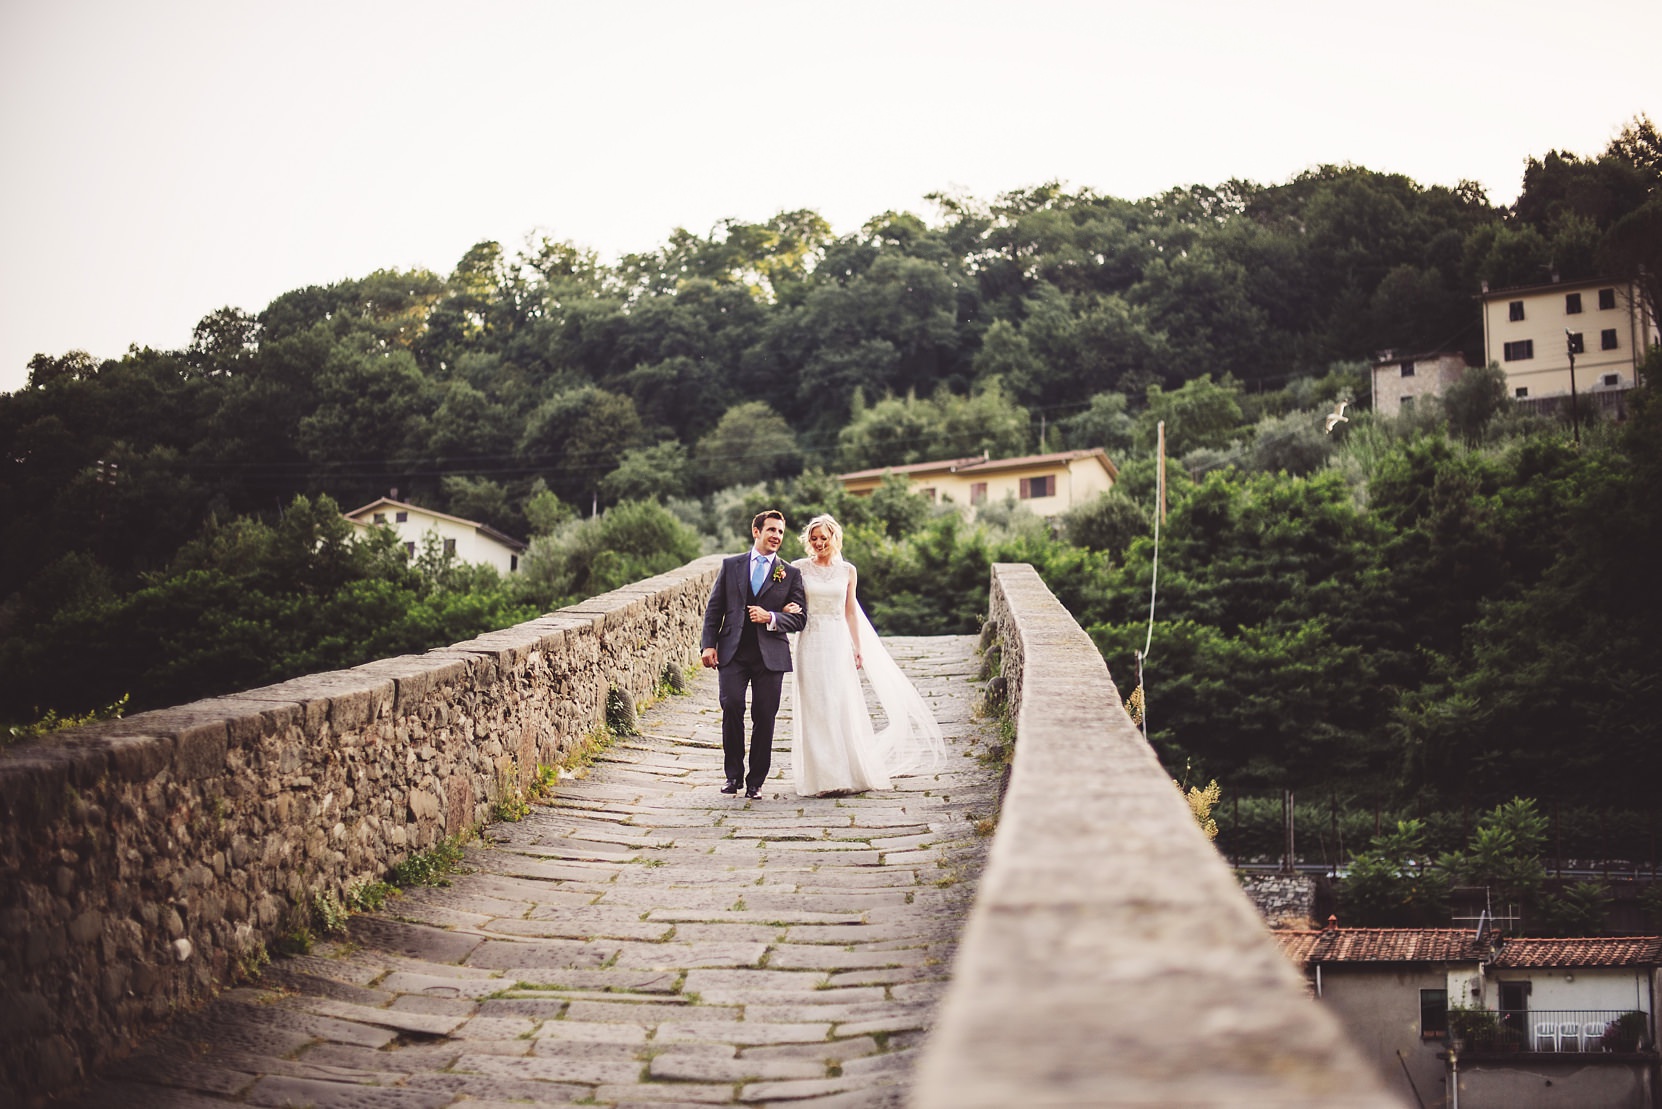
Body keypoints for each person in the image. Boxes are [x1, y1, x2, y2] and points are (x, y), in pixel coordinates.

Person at [783, 514, 945, 796]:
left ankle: (847, 772)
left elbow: (850, 611)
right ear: (808, 541)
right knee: (815, 706)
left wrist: (858, 647)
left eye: (824, 537)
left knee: (838, 702)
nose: (819, 543)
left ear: (835, 538)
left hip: (836, 641)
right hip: (809, 641)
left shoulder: (848, 571)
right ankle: (822, 778)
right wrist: (786, 610)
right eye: (814, 538)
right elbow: (784, 600)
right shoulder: (798, 569)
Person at [700, 509, 808, 800]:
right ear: (756, 531)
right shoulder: (731, 565)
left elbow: (800, 619)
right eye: (771, 530)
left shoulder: (790, 573)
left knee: (765, 716)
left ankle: (756, 781)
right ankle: (732, 775)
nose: (776, 536)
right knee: (732, 706)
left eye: (781, 532)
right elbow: (714, 609)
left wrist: (771, 616)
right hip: (732, 652)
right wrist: (708, 645)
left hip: (770, 655)